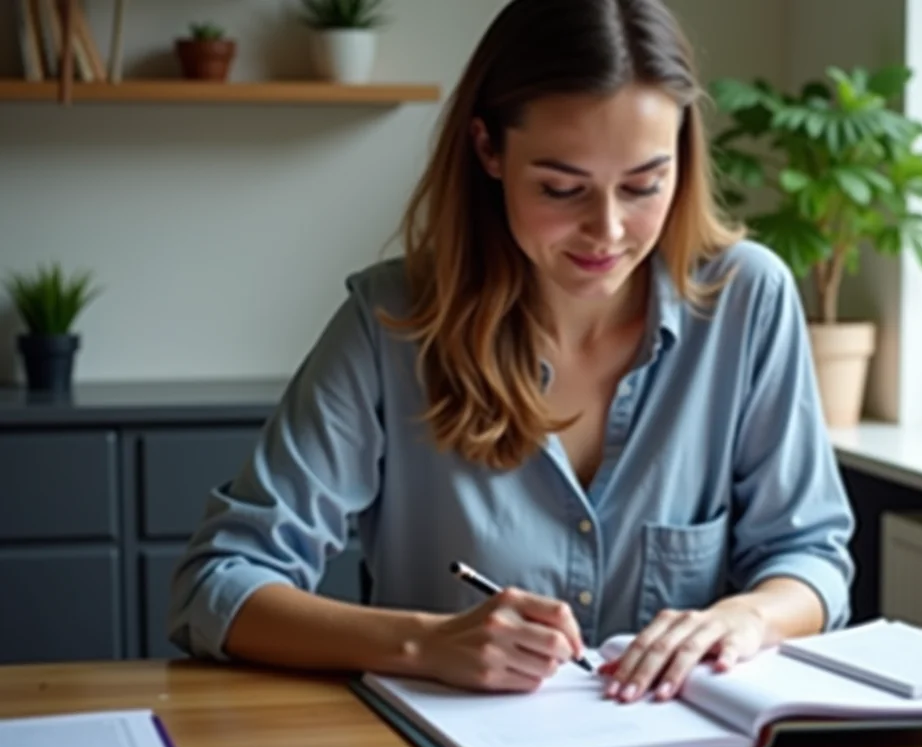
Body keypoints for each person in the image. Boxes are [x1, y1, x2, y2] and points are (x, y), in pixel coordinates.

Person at [166, 0, 855, 705]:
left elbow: (810, 558)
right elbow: (217, 585)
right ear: (488, 150)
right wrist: (424, 643)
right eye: (562, 188)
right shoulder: (391, 324)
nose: (608, 230)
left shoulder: (747, 300)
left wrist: (749, 616)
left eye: (644, 185)